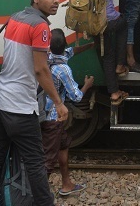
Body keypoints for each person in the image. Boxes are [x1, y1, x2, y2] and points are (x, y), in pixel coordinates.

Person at [0, 0, 69, 206]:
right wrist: (58, 103)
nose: (56, 0)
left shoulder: (15, 17)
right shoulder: (41, 26)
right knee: (36, 163)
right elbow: (41, 70)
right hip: (20, 107)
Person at [41, 29, 93, 198]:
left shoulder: (47, 57)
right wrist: (87, 85)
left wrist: (89, 46)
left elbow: (71, 51)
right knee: (48, 160)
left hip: (48, 115)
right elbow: (76, 97)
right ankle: (36, 197)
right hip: (53, 119)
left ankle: (67, 184)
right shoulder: (63, 69)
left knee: (63, 146)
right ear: (64, 44)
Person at [78, 0, 129, 105]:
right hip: (109, 19)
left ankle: (114, 93)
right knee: (124, 23)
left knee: (106, 55)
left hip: (90, 19)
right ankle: (120, 65)